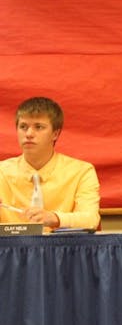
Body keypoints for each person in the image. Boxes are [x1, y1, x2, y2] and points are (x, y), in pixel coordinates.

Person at [0, 97, 100, 230]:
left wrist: (55, 218)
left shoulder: (81, 171)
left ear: (55, 134)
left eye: (39, 127)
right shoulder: (2, 172)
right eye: (23, 127)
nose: (29, 134)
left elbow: (90, 219)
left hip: (63, 249)